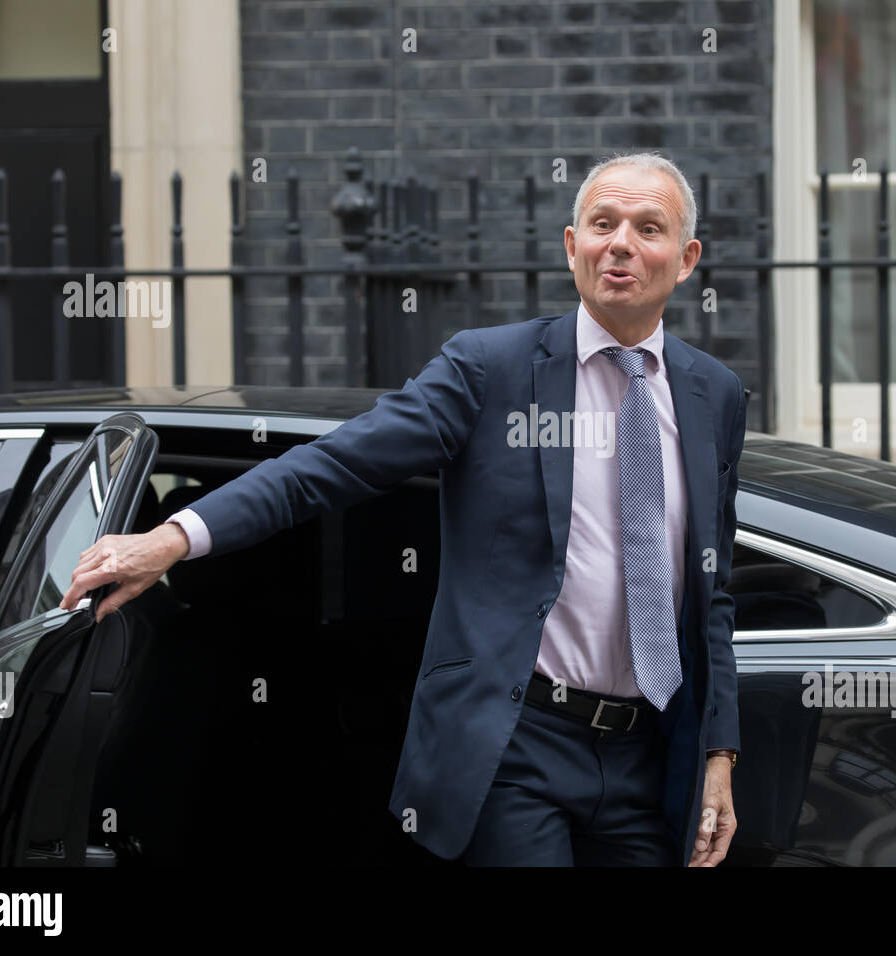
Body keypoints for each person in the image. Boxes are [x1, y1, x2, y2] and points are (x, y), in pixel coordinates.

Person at [60, 151, 745, 867]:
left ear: (687, 257)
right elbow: (332, 465)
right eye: (602, 223)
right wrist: (172, 538)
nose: (622, 244)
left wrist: (718, 753)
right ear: (573, 245)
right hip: (518, 744)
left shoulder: (714, 395)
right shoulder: (492, 370)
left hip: (651, 749)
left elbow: (712, 591)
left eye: (648, 227)